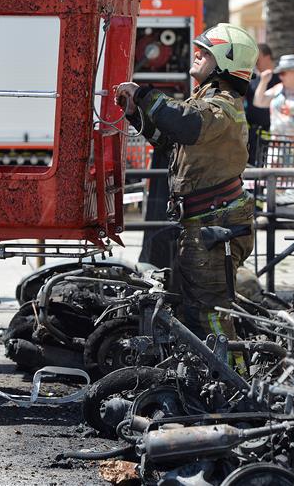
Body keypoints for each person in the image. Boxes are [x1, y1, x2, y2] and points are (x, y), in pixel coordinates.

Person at [114, 23, 257, 354]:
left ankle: (232, 389)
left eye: (205, 52)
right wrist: (137, 114)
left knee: (212, 315)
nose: (196, 54)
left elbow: (187, 123)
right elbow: (172, 140)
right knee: (191, 312)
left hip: (214, 225)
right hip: (203, 222)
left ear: (223, 62)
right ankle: (199, 383)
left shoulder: (223, 104)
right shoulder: (207, 100)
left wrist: (145, 95)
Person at [244, 43, 279, 166]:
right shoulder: (251, 79)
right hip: (252, 135)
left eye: (257, 57)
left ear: (267, 57)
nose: (254, 61)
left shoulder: (279, 79)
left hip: (271, 135)